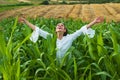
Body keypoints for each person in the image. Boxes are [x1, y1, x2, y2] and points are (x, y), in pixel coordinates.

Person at [18, 16, 104, 64]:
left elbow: (82, 30)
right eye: (58, 25)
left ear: (64, 30)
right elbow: (37, 29)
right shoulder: (50, 37)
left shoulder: (70, 37)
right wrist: (25, 21)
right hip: (55, 64)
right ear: (55, 30)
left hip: (67, 65)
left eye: (62, 26)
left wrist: (94, 22)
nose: (59, 26)